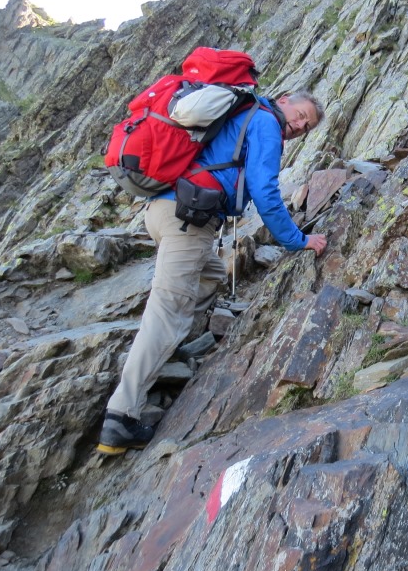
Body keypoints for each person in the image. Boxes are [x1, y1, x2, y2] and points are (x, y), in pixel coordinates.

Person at [96, 91, 327, 455]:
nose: (299, 126)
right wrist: (297, 240)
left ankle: (171, 350)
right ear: (283, 101)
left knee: (212, 273)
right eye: (300, 115)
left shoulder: (246, 113)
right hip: (186, 222)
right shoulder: (266, 122)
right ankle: (120, 417)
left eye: (306, 126)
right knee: (167, 312)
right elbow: (265, 192)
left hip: (166, 211)